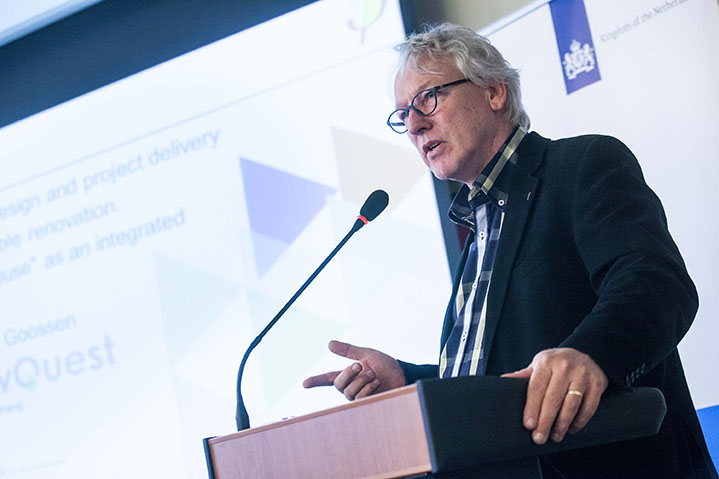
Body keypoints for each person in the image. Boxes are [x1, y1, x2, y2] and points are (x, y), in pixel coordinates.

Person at [303, 23, 716, 478]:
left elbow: (656, 283)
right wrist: (407, 380)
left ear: (494, 91)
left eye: (428, 98)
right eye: (403, 115)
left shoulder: (582, 166)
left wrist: (592, 356)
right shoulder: (476, 235)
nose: (415, 125)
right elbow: (493, 386)